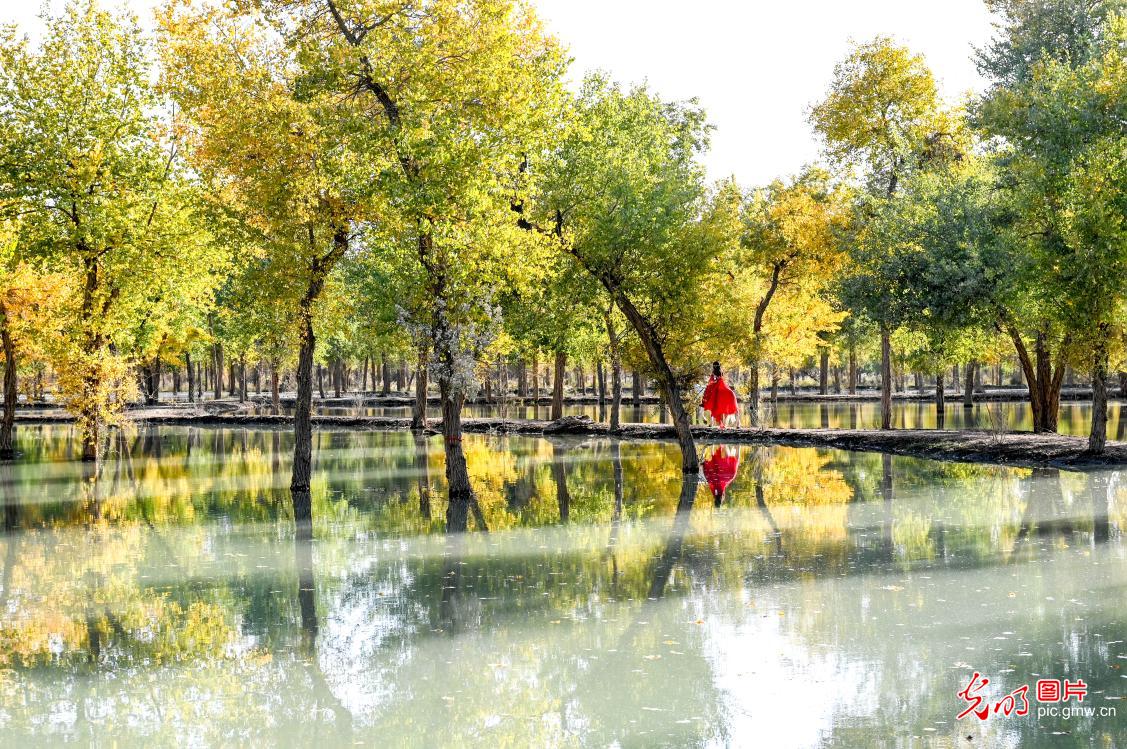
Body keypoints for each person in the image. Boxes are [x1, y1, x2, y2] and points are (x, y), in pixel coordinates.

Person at [701, 361, 738, 427]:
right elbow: (720, 381)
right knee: (723, 408)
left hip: (717, 390)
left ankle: (711, 423)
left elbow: (711, 382)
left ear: (713, 366)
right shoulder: (721, 372)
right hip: (722, 388)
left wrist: (708, 387)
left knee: (713, 404)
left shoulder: (713, 374)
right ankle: (737, 424)